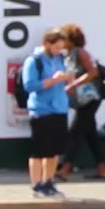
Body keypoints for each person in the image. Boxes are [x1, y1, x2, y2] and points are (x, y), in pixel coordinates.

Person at [22, 28, 72, 198]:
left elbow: (64, 80)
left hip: (59, 108)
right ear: (47, 44)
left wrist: (67, 78)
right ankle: (36, 185)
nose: (59, 51)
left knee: (54, 151)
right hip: (41, 110)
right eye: (56, 47)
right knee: (39, 150)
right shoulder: (34, 61)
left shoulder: (60, 59)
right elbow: (30, 86)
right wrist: (53, 80)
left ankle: (48, 181)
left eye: (61, 47)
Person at [56, 23, 105, 181]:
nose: (61, 41)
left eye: (63, 38)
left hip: (90, 99)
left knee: (75, 132)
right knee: (90, 133)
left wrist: (73, 84)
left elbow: (93, 73)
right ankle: (102, 168)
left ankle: (65, 169)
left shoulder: (80, 53)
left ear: (71, 39)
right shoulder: (69, 54)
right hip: (81, 100)